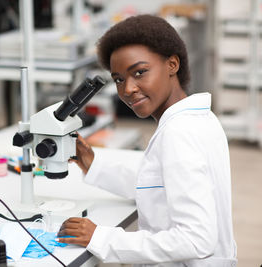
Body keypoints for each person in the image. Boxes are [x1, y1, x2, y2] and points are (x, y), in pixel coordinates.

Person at [57, 14, 237, 266]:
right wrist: (92, 164)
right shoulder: (198, 119)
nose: (128, 88)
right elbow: (159, 186)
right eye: (119, 79)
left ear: (172, 64)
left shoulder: (178, 134)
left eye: (140, 72)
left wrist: (102, 237)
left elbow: (197, 239)